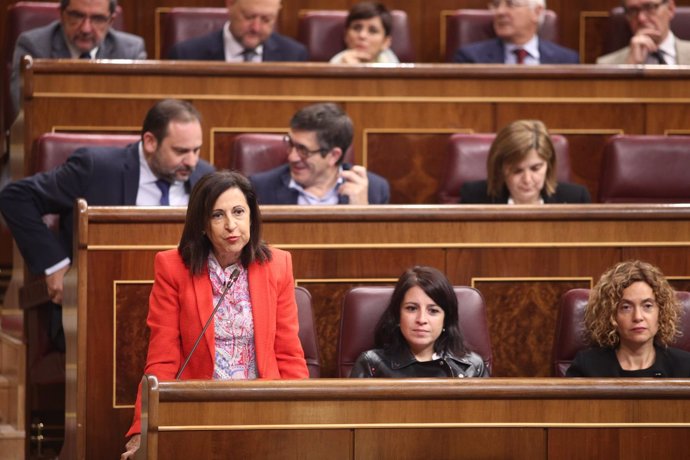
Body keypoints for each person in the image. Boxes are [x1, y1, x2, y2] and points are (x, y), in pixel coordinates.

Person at [120, 171, 308, 459]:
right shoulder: (173, 268)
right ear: (203, 225)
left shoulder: (278, 265)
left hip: (263, 408)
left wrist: (302, 419)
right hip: (200, 410)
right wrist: (141, 429)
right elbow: (162, 357)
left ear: (252, 217)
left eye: (238, 212)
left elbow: (288, 353)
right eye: (218, 215)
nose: (231, 225)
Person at [0, 99, 214, 306]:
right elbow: (16, 197)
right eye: (181, 151)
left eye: (196, 150)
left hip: (180, 303)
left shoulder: (205, 176)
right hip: (101, 300)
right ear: (150, 142)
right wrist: (56, 265)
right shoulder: (96, 169)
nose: (192, 161)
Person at [349, 266, 489, 378]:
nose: (421, 320)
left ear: (446, 319)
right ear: (398, 315)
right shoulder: (371, 364)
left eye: (433, 311)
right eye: (411, 308)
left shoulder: (472, 367)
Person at [10, 0, 146, 115]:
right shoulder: (33, 47)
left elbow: (136, 113)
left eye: (98, 19)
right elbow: (26, 111)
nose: (86, 29)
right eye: (77, 16)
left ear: (111, 21)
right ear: (62, 15)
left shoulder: (131, 52)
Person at [566, 260, 690, 377]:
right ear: (611, 315)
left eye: (647, 306)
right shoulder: (587, 367)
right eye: (626, 307)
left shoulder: (684, 366)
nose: (637, 317)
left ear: (661, 312)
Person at [249, 103, 390, 205]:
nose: (292, 157)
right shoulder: (260, 188)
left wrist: (363, 215)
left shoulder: (374, 191)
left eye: (303, 150)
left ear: (333, 155)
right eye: (291, 144)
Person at [459, 120, 591, 204]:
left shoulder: (575, 199)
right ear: (500, 168)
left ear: (548, 165)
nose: (527, 180)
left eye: (535, 169)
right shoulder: (474, 198)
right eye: (517, 170)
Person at [167, 0, 307, 62]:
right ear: (230, 4)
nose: (255, 28)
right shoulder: (186, 54)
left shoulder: (294, 55)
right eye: (249, 17)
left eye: (266, 19)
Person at [453, 0, 579, 64]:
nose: (500, 12)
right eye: (496, 5)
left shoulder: (567, 60)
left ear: (537, 12)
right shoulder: (471, 59)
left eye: (511, 4)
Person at [597, 0, 690, 64]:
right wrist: (629, 70)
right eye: (633, 10)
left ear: (670, 8)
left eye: (649, 7)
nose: (641, 18)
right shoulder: (606, 65)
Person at [329, 2, 399, 64]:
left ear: (386, 42)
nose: (362, 35)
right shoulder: (335, 64)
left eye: (373, 31)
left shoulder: (395, 67)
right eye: (356, 28)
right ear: (346, 35)